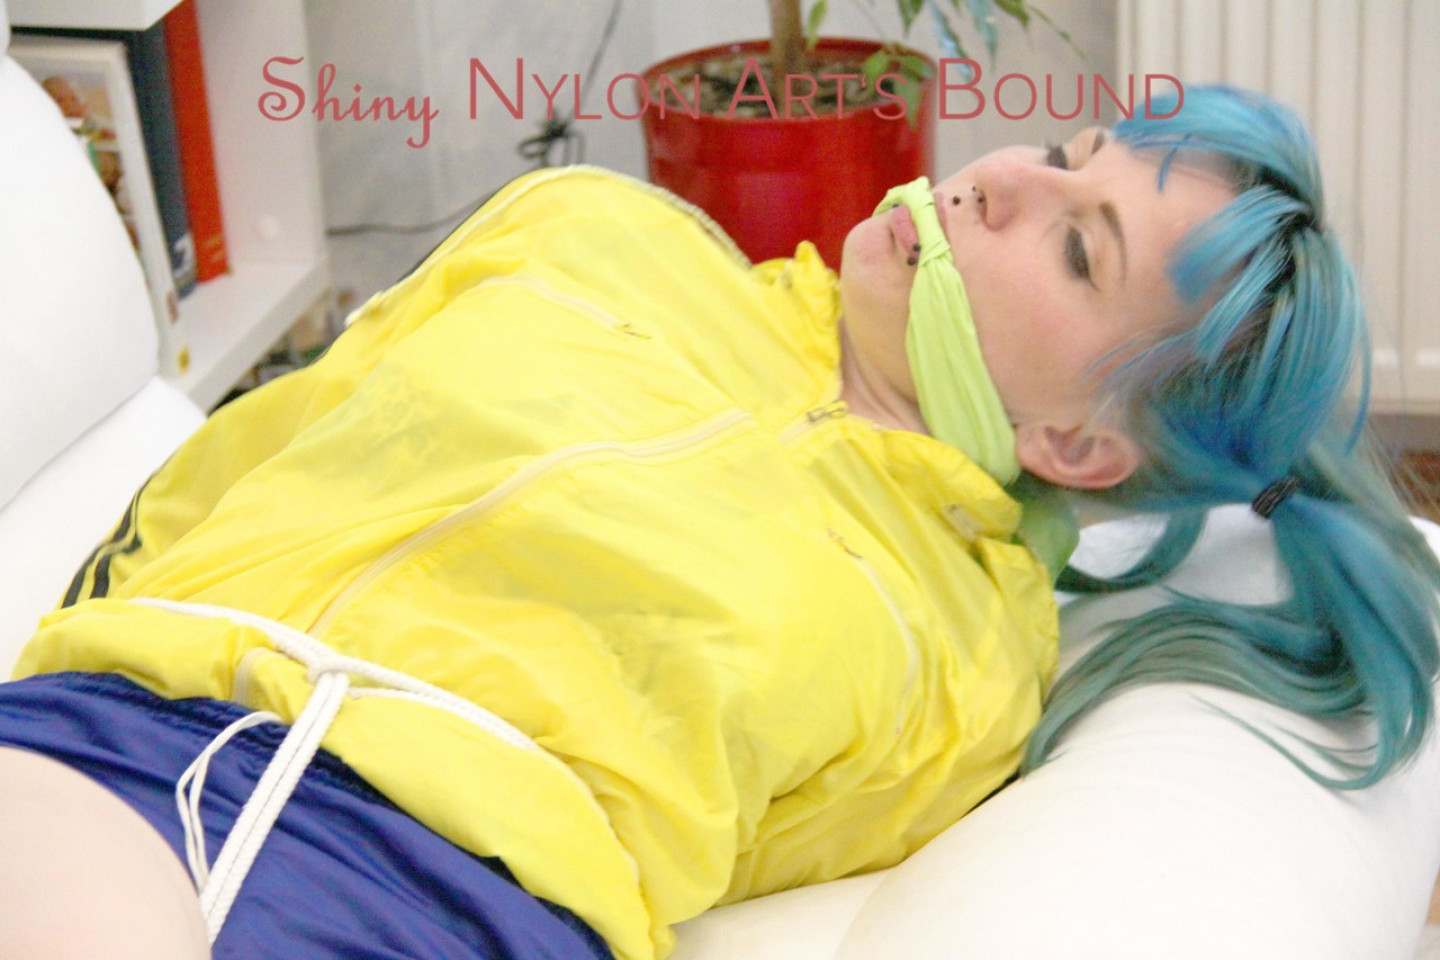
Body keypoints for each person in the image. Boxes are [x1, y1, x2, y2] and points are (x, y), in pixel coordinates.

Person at [0, 84, 1435, 960]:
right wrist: (92, 663)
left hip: (439, 896)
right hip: (113, 735)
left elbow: (764, 850)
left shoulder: (962, 651)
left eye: (1075, 246)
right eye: (1066, 151)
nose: (997, 178)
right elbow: (261, 444)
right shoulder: (590, 231)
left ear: (1076, 444)